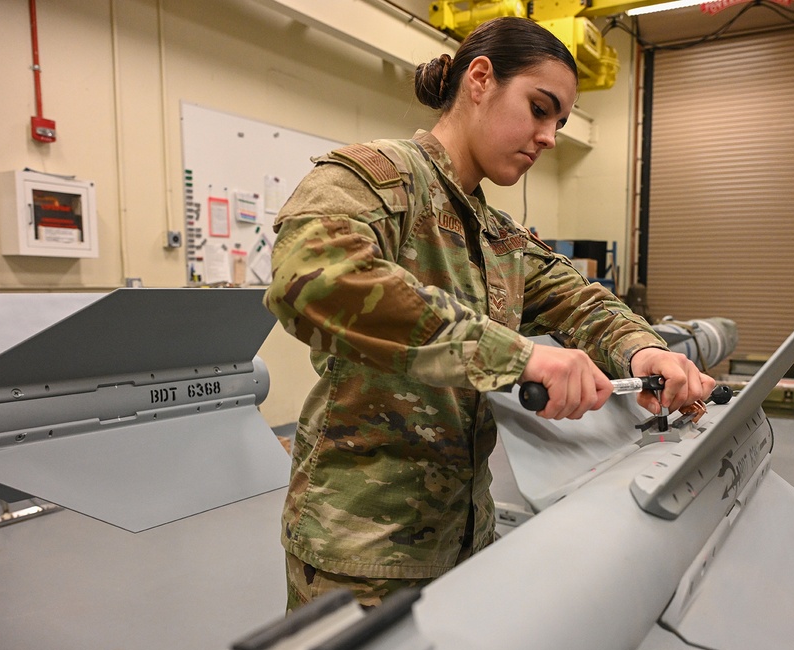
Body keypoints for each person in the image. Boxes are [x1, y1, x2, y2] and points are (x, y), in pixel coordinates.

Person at [266, 17, 714, 611]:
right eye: (539, 108)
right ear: (480, 79)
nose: (550, 135)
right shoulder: (376, 179)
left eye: (558, 122)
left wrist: (645, 349)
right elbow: (315, 281)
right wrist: (521, 357)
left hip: (463, 538)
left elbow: (583, 300)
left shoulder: (498, 233)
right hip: (364, 549)